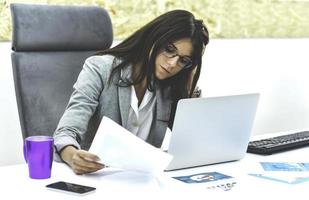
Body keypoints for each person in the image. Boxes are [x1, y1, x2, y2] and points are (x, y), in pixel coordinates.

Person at [53, 9, 209, 175]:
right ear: (154, 38)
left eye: (183, 60)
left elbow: (195, 144)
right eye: (169, 49)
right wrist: (72, 156)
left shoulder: (170, 86)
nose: (172, 64)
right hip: (96, 177)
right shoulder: (100, 68)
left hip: (141, 180)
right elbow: (66, 132)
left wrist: (190, 78)